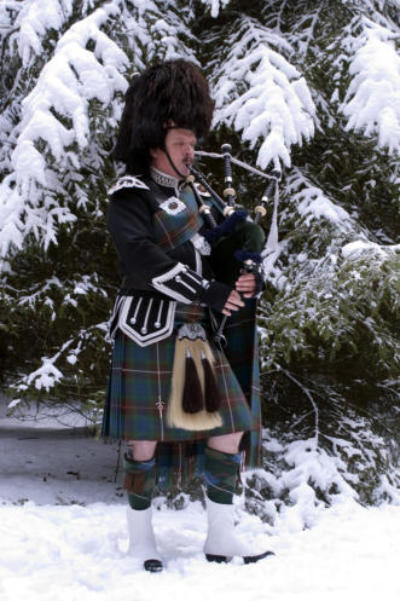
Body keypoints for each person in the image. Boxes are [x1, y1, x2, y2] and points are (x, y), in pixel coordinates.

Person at [102, 59, 273, 572]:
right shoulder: (131, 194)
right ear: (154, 141)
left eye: (192, 143)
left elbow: (215, 254)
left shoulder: (194, 196)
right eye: (180, 143)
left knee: (231, 425)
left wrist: (243, 274)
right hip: (149, 326)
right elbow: (140, 257)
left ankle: (221, 537)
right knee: (145, 440)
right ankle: (141, 542)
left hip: (196, 329)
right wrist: (206, 289)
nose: (190, 152)